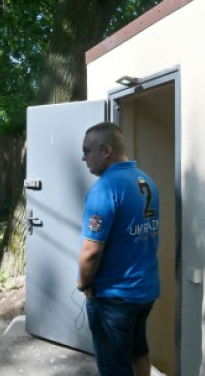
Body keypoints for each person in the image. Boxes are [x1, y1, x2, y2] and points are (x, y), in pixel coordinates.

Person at [77, 122, 160, 376]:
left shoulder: (105, 189)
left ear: (106, 150)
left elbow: (91, 251)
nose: (84, 157)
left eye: (87, 150)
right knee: (138, 350)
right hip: (144, 290)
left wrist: (83, 284)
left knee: (114, 367)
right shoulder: (144, 180)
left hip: (115, 297)